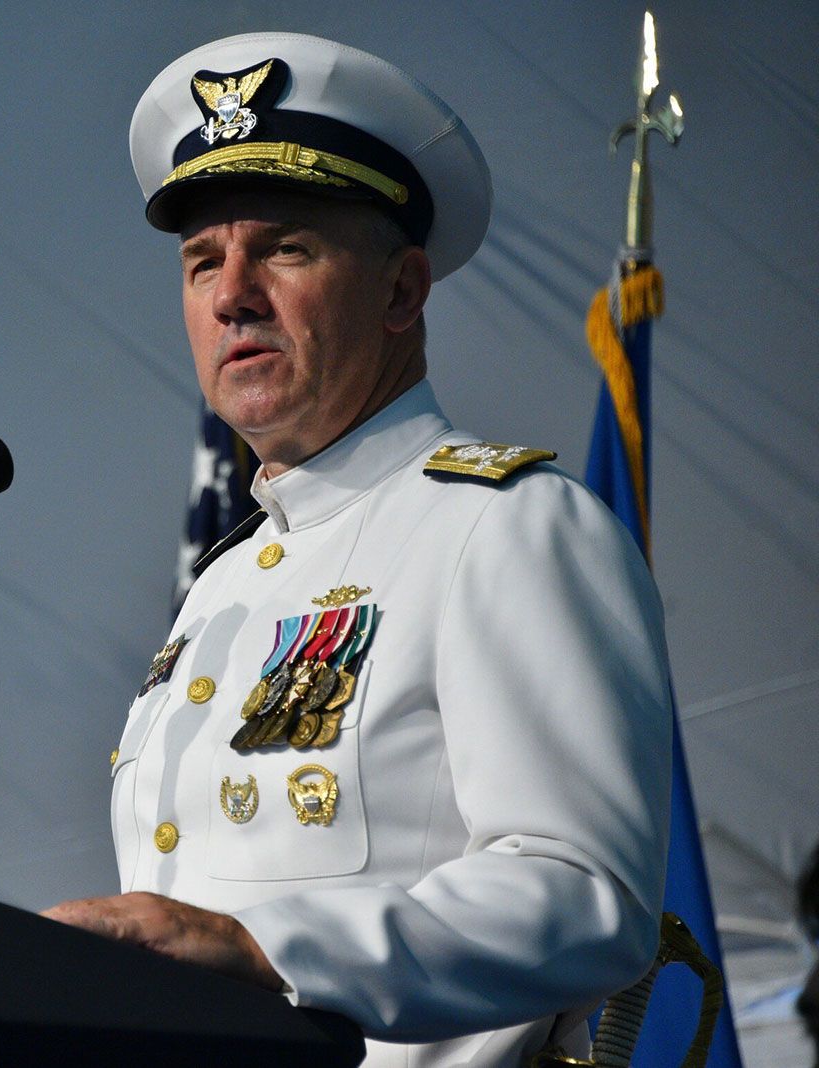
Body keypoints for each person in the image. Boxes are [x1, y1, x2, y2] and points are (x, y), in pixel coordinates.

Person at [43, 32, 674, 1067]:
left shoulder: (508, 525)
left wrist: (260, 946)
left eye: (283, 248)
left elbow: (583, 892)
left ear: (400, 291)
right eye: (203, 261)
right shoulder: (224, 588)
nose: (231, 293)